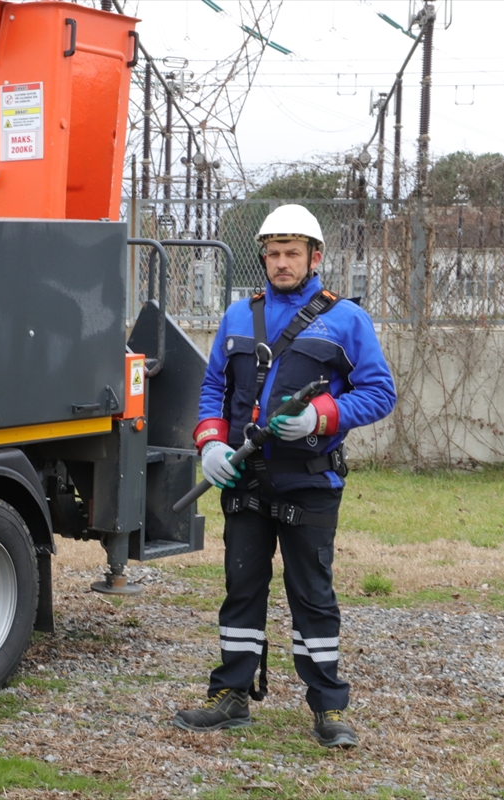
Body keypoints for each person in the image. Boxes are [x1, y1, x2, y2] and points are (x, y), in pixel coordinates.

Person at [171, 204, 396, 748]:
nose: (281, 263)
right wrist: (211, 443)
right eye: (272, 254)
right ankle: (230, 696)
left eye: (292, 253)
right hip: (245, 482)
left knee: (312, 596)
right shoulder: (236, 316)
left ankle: (328, 707)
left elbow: (379, 393)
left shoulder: (345, 320)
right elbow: (212, 392)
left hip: (311, 482)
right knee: (241, 590)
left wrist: (322, 417)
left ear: (315, 257)